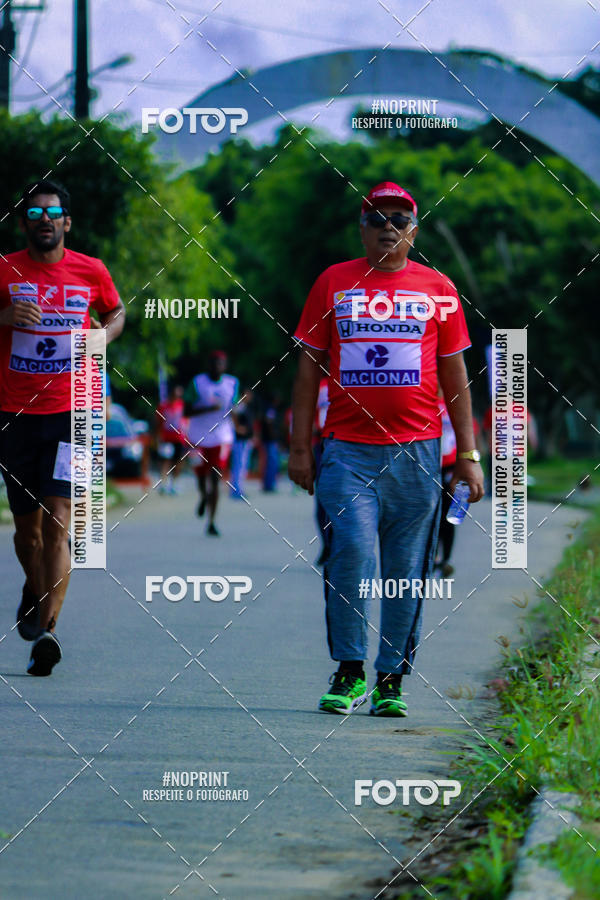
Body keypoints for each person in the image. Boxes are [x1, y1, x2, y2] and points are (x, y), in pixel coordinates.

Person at [289, 181, 483, 716]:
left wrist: (468, 454)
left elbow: (455, 374)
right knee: (350, 552)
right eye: (377, 218)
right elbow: (308, 368)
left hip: (418, 454)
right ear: (362, 228)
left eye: (399, 219)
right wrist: (300, 447)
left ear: (413, 232)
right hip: (347, 452)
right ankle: (350, 670)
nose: (388, 227)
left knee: (404, 570)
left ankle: (391, 678)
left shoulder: (438, 288)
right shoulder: (333, 282)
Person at [0, 178, 125, 675]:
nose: (44, 221)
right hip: (14, 415)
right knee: (27, 535)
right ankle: (35, 589)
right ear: (24, 223)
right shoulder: (5, 269)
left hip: (77, 410)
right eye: (34, 215)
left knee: (60, 518)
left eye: (52, 214)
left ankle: (47, 632)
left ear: (67, 222)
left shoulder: (90, 270)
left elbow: (116, 313)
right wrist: (5, 314)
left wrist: (104, 333)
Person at [185, 350, 238, 536]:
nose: (217, 367)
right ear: (209, 365)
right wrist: (209, 409)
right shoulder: (197, 383)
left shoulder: (232, 383)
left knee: (215, 478)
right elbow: (187, 411)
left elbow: (235, 408)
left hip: (221, 437)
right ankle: (203, 496)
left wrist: (239, 420)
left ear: (225, 366)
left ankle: (212, 522)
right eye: (214, 363)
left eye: (221, 363)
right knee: (201, 477)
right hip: (197, 437)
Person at [156, 385, 187, 494]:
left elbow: (187, 421)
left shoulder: (182, 405)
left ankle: (174, 483)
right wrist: (158, 436)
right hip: (167, 437)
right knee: (165, 461)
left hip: (179, 438)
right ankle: (163, 483)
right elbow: (158, 422)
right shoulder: (163, 406)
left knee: (178, 461)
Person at [229, 388, 254, 499]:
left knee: (243, 465)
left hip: (246, 439)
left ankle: (239, 488)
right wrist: (237, 427)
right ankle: (236, 490)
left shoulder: (246, 407)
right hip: (239, 440)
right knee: (238, 465)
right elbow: (231, 416)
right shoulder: (238, 406)